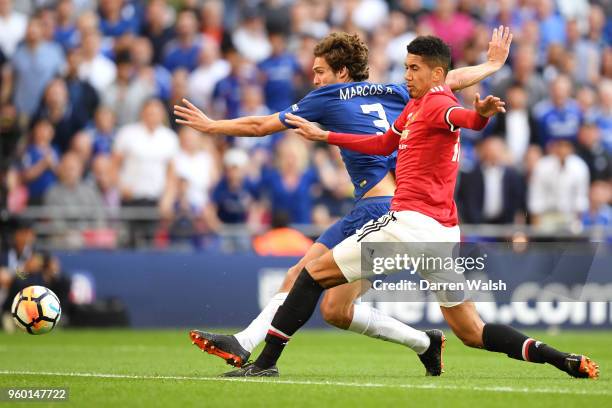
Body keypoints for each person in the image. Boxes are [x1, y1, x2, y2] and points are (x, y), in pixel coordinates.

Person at [225, 35, 599, 379]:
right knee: (472, 330)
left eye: (414, 68)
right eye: (405, 67)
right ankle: (558, 358)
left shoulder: (437, 104)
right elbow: (381, 144)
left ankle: (264, 363)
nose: (406, 75)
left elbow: (463, 118)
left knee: (311, 275)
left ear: (437, 73)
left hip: (406, 224)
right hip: (441, 232)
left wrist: (481, 114)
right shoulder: (415, 108)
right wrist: (326, 135)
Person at [175, 28, 513, 374]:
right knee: (336, 309)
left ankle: (245, 343)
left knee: (300, 273)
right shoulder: (398, 91)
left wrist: (212, 126)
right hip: (403, 208)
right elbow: (450, 79)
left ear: (342, 72)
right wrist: (490, 65)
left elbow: (262, 125)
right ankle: (426, 344)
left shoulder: (328, 96)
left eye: (320, 70)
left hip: (378, 208)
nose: (314, 77)